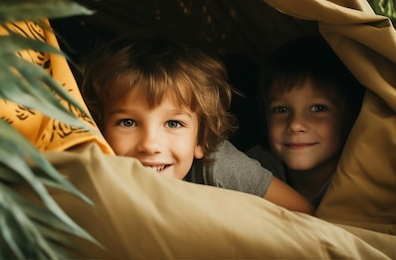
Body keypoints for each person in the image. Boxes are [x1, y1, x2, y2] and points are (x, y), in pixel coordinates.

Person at [79, 32, 315, 214]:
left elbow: (303, 214)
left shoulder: (220, 167)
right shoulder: (92, 171)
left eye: (173, 124)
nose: (150, 145)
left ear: (200, 139)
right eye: (128, 122)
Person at [247, 36, 365, 207]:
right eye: (281, 109)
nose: (295, 125)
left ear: (349, 117)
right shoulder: (254, 167)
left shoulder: (365, 180)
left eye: (318, 108)